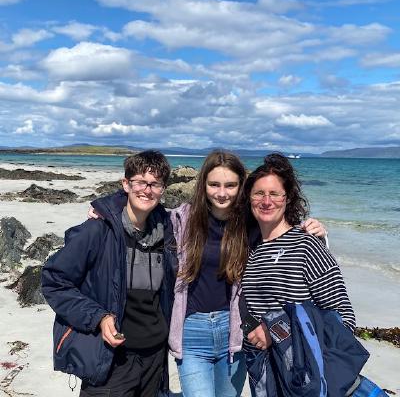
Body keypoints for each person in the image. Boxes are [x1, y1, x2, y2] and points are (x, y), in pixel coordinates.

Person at [88, 150, 327, 397]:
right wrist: (107, 208)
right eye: (214, 184)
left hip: (233, 333)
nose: (222, 193)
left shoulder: (250, 225)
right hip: (192, 333)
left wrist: (316, 229)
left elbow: (280, 227)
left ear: (241, 187)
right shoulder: (181, 219)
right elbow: (143, 202)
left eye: (230, 185)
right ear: (203, 185)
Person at [41, 150, 177, 397]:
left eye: (155, 184)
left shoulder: (168, 231)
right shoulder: (97, 231)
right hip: (111, 357)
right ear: (126, 184)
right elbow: (54, 280)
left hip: (155, 358)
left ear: (163, 189)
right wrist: (98, 317)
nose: (147, 190)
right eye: (140, 182)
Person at [240, 153, 356, 396]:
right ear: (249, 198)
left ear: (288, 198)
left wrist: (275, 331)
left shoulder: (307, 245)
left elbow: (343, 319)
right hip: (264, 370)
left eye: (275, 194)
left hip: (305, 373)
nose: (266, 201)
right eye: (259, 193)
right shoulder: (250, 249)